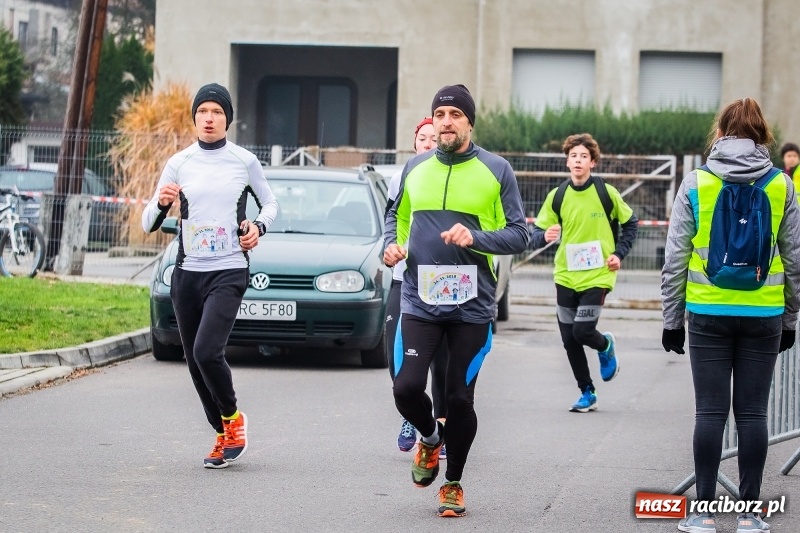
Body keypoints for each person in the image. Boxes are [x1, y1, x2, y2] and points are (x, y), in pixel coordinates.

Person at [384, 84, 529, 517]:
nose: (446, 122)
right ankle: (431, 439)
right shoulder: (415, 167)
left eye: (455, 115)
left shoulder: (496, 169)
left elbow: (519, 234)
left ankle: (453, 483)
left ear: (469, 123)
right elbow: (396, 215)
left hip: (472, 306)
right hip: (420, 299)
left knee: (460, 399)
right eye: (440, 114)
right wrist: (392, 245)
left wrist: (476, 237)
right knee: (406, 388)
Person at [661, 98, 800, 533]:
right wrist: (790, 318)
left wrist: (672, 319)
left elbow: (675, 257)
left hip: (707, 311)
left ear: (719, 133)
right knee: (754, 415)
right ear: (763, 135)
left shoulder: (697, 182)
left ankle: (703, 513)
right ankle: (750, 514)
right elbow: (795, 259)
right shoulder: (781, 185)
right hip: (763, 313)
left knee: (709, 413)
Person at [142, 82, 278, 469]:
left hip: (229, 269)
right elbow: (148, 221)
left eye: (217, 112)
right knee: (193, 360)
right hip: (188, 273)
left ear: (227, 120)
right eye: (203, 111)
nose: (209, 118)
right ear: (195, 117)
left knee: (207, 351)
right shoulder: (179, 163)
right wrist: (162, 204)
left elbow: (270, 204)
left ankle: (233, 420)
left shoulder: (244, 161)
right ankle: (222, 433)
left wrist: (258, 227)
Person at [530, 133, 638, 412]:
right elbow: (537, 231)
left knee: (582, 330)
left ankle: (605, 346)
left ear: (593, 162)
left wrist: (619, 254)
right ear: (567, 162)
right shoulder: (557, 196)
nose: (578, 160)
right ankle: (587, 392)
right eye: (573, 156)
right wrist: (544, 235)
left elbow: (631, 223)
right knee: (569, 339)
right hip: (566, 274)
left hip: (598, 274)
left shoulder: (606, 193)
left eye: (584, 156)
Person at [385, 117, 448, 456]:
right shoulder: (402, 176)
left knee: (441, 362)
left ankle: (441, 424)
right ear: (414, 143)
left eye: (433, 138)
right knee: (396, 359)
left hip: (439, 280)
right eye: (422, 138)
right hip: (403, 278)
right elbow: (392, 219)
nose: (427, 143)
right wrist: (390, 246)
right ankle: (412, 414)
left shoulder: (450, 176)